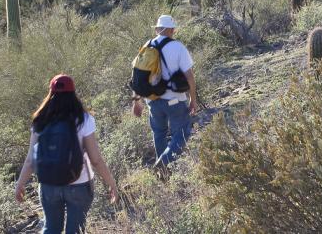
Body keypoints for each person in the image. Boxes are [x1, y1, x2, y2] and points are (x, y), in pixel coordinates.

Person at [16, 75, 119, 234]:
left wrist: (20, 184)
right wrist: (112, 183)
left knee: (51, 228)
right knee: (75, 231)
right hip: (80, 183)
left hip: (49, 184)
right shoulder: (84, 119)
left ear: (50, 93)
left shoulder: (40, 120)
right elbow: (96, 160)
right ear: (73, 93)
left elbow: (31, 159)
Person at [131, 15, 198, 166]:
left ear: (157, 29)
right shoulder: (178, 47)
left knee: (159, 134)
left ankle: (163, 172)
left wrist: (136, 102)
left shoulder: (146, 47)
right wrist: (193, 100)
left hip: (152, 101)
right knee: (182, 133)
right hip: (175, 100)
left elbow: (136, 77)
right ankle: (163, 163)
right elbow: (190, 77)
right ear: (172, 30)